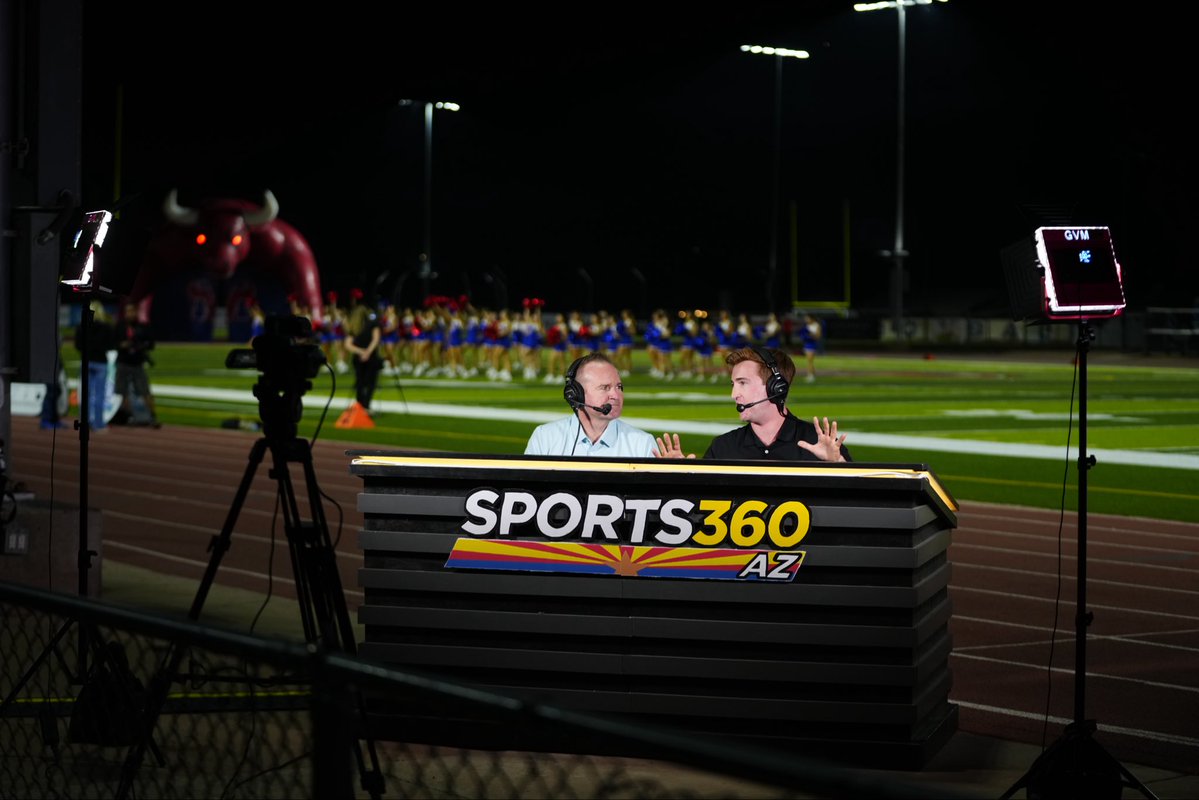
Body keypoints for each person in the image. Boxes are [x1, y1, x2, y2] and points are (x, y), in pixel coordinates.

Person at [653, 346, 850, 462]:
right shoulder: (723, 447)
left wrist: (838, 466)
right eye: (733, 384)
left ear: (776, 388)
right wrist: (679, 478)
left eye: (742, 383)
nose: (733, 395)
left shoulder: (819, 445)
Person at [524, 353, 656, 458]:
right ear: (576, 394)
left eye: (619, 387)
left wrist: (672, 476)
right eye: (605, 387)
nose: (616, 395)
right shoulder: (544, 437)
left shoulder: (643, 443)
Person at [113, 301, 161, 427]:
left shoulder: (142, 327)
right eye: (128, 311)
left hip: (137, 363)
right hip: (123, 362)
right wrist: (122, 345)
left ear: (136, 312)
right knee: (122, 392)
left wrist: (141, 345)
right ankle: (128, 416)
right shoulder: (120, 326)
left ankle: (152, 416)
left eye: (132, 311)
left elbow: (151, 344)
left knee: (145, 391)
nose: (130, 314)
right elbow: (112, 342)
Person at [74, 300, 118, 432]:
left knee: (85, 395)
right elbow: (111, 345)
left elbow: (77, 345)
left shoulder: (82, 326)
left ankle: (85, 424)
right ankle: (98, 424)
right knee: (99, 395)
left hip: (86, 361)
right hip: (100, 363)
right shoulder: (106, 327)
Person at [343, 297, 383, 414]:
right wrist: (367, 352)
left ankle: (360, 405)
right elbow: (376, 339)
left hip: (358, 358)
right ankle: (366, 405)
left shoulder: (354, 326)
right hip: (371, 357)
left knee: (360, 382)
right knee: (370, 382)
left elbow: (348, 344)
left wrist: (360, 352)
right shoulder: (372, 323)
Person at [799, 313, 823, 383]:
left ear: (811, 318)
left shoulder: (816, 325)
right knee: (809, 361)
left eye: (807, 318)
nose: (806, 320)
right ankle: (812, 375)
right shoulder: (807, 326)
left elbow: (818, 336)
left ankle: (810, 376)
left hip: (812, 344)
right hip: (806, 344)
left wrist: (810, 334)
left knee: (810, 361)